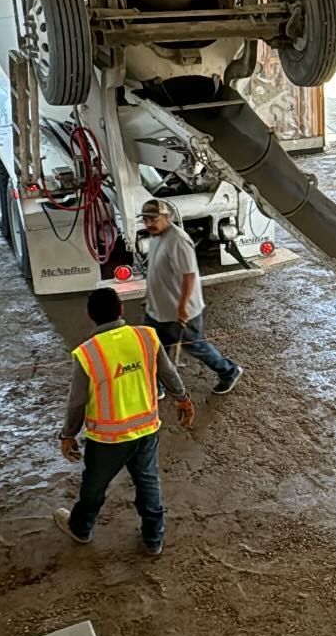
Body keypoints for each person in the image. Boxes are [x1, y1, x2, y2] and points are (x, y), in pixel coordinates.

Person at [55, 287, 194, 556]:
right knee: (148, 483)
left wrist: (68, 435)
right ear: (120, 309)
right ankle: (154, 539)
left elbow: (76, 402)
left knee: (94, 486)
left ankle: (81, 528)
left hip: (108, 439)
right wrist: (183, 399)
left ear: (90, 316)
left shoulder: (88, 353)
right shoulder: (146, 337)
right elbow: (168, 373)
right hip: (146, 430)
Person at [141, 199, 243, 394]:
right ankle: (158, 386)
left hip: (178, 311)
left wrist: (183, 307)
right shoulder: (155, 236)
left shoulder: (178, 240)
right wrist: (149, 297)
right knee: (154, 348)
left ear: (167, 217)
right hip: (157, 309)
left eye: (153, 219)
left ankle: (229, 371)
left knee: (196, 347)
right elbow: (155, 269)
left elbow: (189, 275)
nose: (148, 224)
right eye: (145, 220)